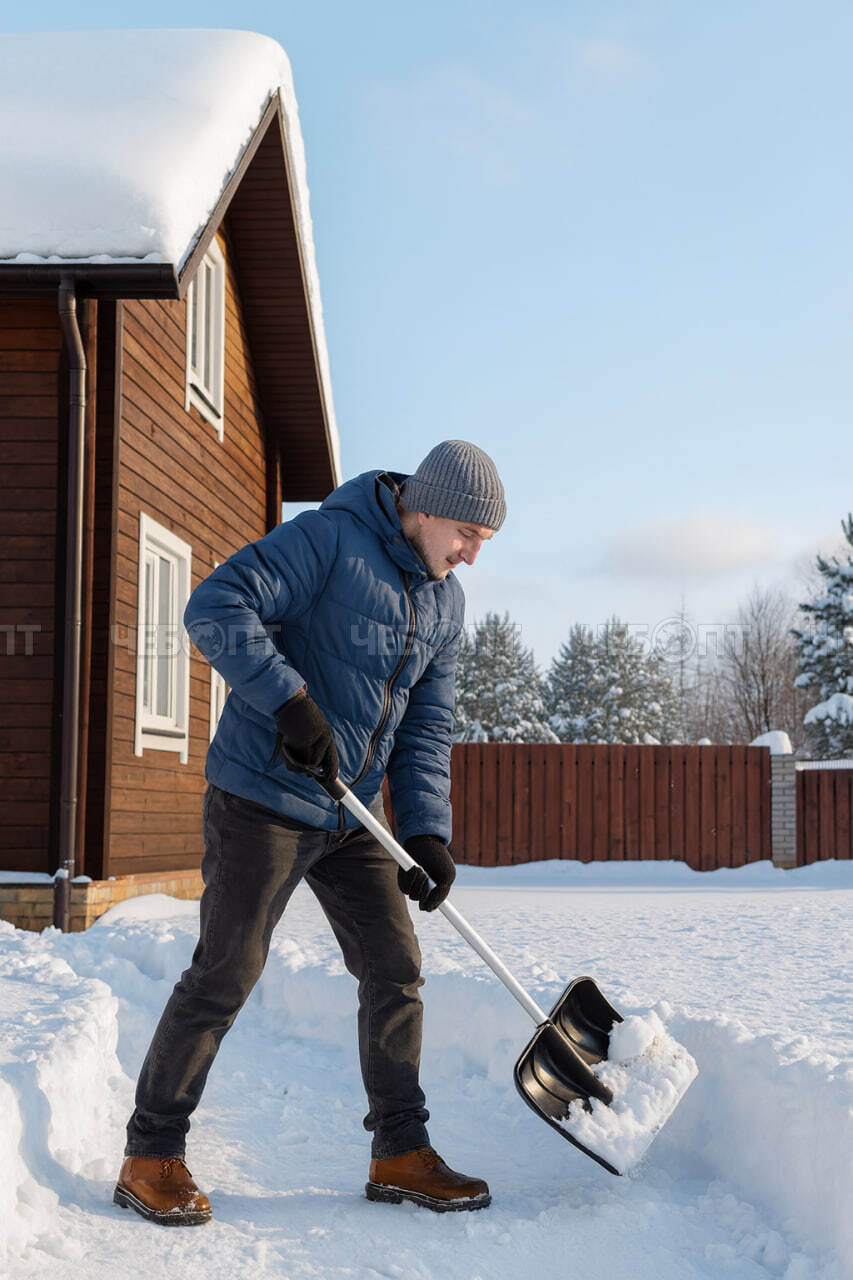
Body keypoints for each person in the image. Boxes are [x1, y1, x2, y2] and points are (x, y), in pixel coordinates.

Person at [113, 440, 506, 1226]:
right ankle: (150, 1153)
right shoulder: (328, 539)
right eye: (466, 535)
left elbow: (428, 725)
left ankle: (400, 1150)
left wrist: (427, 832)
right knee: (227, 970)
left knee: (395, 967)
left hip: (349, 809)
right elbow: (215, 604)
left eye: (482, 545)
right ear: (422, 508)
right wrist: (287, 700)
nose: (469, 556)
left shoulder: (444, 602)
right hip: (261, 796)